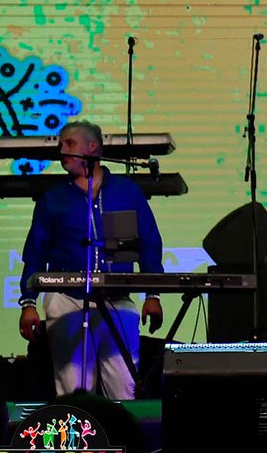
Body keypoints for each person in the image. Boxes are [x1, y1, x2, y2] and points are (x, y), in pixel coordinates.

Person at [17, 120, 164, 400]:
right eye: (61, 144)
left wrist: (153, 295)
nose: (62, 150)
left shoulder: (126, 191)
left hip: (117, 298)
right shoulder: (53, 198)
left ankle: (123, 431)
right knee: (74, 389)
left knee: (125, 387)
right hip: (66, 299)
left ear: (92, 147)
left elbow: (149, 243)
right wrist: (28, 303)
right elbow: (35, 252)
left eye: (70, 143)